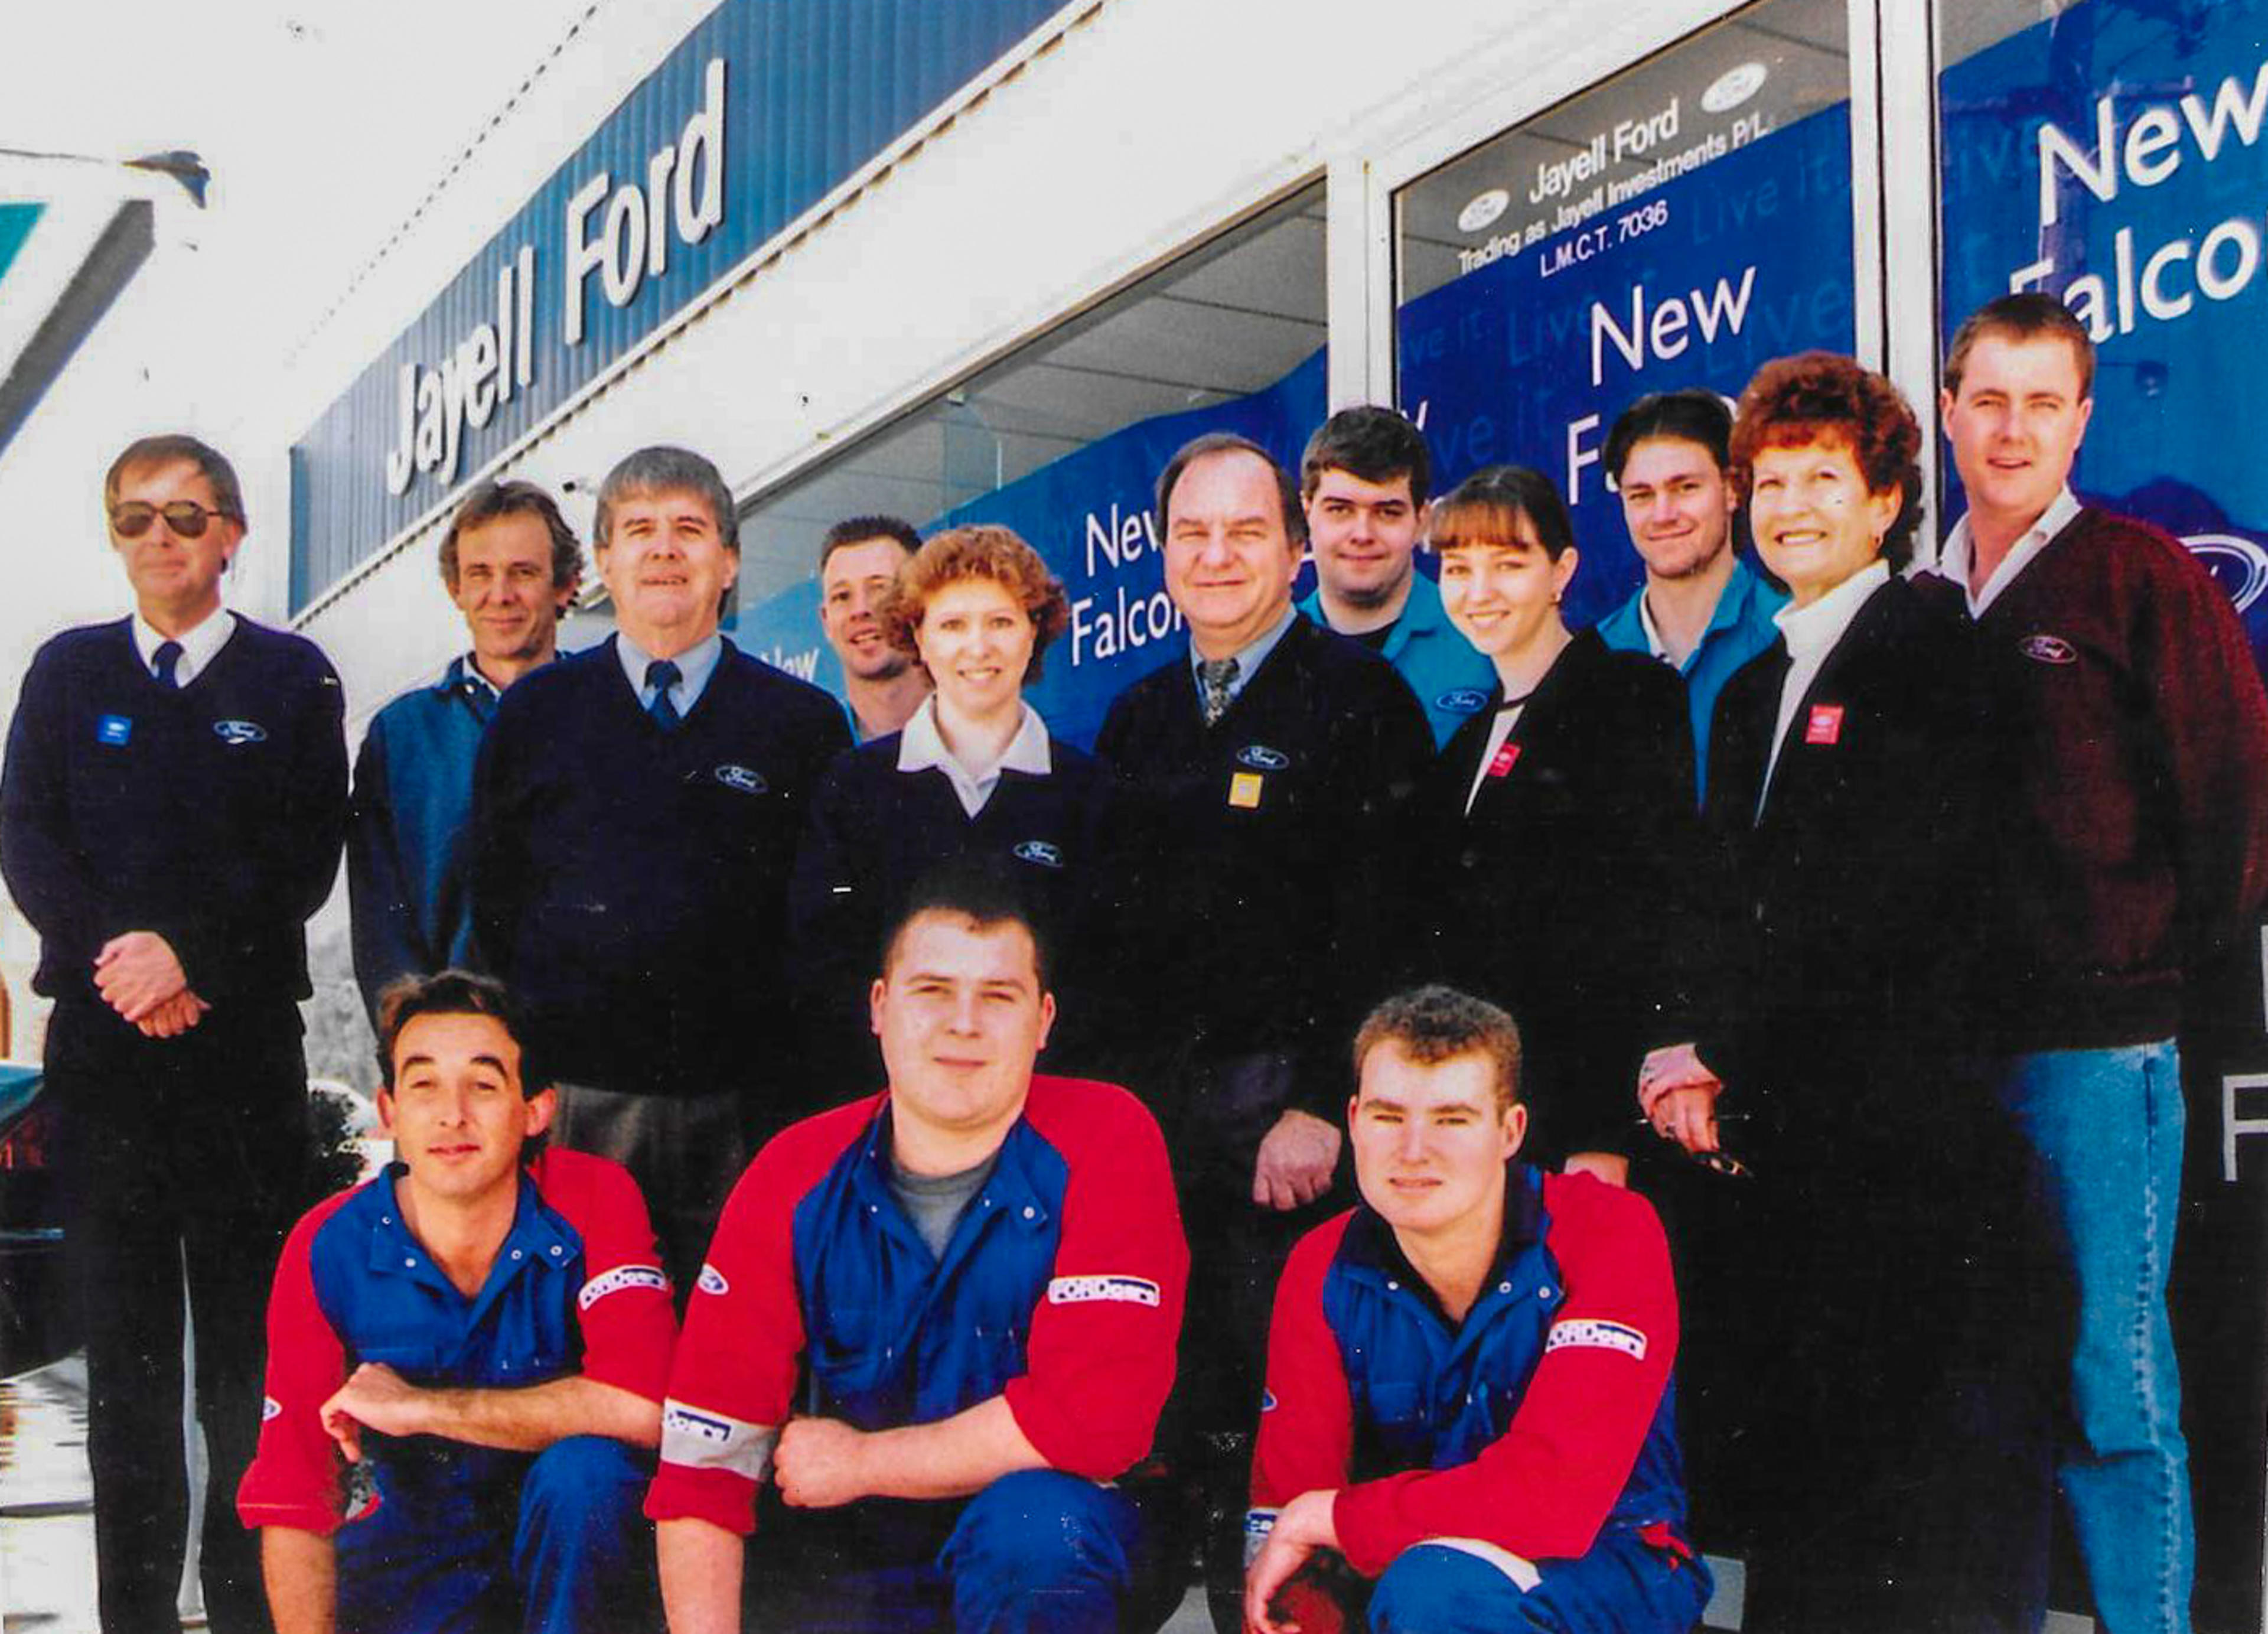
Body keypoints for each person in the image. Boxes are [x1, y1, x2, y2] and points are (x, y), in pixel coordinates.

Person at [1639, 352, 2039, 1633]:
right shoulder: (1756, 687)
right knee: (1806, 1507)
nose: (1791, 507)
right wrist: (1685, 1050)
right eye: (1770, 482)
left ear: (1885, 502)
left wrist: (1729, 1060)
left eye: (1824, 480)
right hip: (1787, 1161)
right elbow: (1719, 902)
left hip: (1900, 1158)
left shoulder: (1929, 652)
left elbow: (1889, 906)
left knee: (1904, 1512)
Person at [1923, 292, 2268, 1634]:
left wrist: (2135, 970)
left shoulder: (2138, 575)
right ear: (1948, 412)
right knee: (1976, 1391)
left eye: (2041, 403)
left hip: (2094, 1060)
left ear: (2081, 420)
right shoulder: (1919, 600)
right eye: (1987, 400)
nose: (2010, 430)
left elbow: (2233, 806)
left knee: (2108, 1387)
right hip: (1944, 1066)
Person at [648, 863, 1190, 1633]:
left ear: (1043, 1020)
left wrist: (861, 1462)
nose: (963, 1023)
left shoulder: (1107, 1136)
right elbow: (707, 1457)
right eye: (933, 990)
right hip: (858, 1547)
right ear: (879, 1006)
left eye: (998, 996)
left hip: (1052, 1534)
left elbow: (1097, 1420)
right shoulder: (794, 1171)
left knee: (1034, 1530)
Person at [0, 434, 348, 1633]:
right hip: (106, 1062)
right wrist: (129, 964)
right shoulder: (67, 674)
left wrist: (187, 956)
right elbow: (28, 839)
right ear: (115, 535)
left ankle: (250, 1615)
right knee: (129, 1378)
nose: (162, 538)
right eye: (136, 517)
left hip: (243, 1061)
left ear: (231, 533)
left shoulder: (293, 679)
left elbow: (305, 856)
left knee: (248, 1372)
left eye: (187, 516)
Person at [1093, 431, 1435, 1539]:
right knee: (1177, 1425)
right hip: (1163, 1130)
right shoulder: (1136, 717)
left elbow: (1393, 931)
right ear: (1161, 554)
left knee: (1293, 1431)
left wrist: (1324, 1102)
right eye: (1192, 533)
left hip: (1290, 1131)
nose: (1216, 555)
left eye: (1246, 531)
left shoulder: (1363, 701)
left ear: (1296, 551)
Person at [471, 445, 850, 1287]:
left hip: (748, 1113)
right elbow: (495, 908)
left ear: (730, 561)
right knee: (586, 1334)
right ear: (604, 563)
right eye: (639, 529)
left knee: (743, 1337)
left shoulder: (802, 723)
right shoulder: (534, 715)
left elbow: (825, 932)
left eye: (690, 528)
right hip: (581, 1108)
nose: (665, 549)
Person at [1244, 985, 1710, 1634]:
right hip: (1404, 1569)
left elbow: (1556, 1499)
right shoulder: (1322, 1263)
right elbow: (1289, 1515)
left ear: (1510, 1130)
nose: (1413, 1151)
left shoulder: (1605, 1231)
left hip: (1608, 1567)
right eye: (1386, 1117)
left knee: (1435, 1587)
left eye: (1452, 1120)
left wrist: (1331, 1518)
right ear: (1351, 1120)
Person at [237, 971, 676, 1634]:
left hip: (571, 1563)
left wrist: (419, 1408)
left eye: (484, 1084)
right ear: (389, 1111)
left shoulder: (595, 1198)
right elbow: (294, 1493)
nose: (452, 1115)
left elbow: (648, 1407)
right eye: (424, 1085)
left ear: (536, 1110)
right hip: (417, 1561)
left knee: (588, 1475)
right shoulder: (328, 1243)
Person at [1411, 464, 1707, 1181]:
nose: (1479, 592)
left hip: (1579, 1130)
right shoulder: (1465, 743)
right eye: (1458, 569)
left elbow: (1641, 922)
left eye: (1508, 565)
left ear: (1562, 570)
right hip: (1486, 1123)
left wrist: (1600, 1135)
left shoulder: (1626, 695)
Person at [790, 524, 1120, 1086]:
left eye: (1000, 622)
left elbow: (1108, 977)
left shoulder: (1091, 794)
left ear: (1034, 631)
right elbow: (824, 965)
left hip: (1044, 1109)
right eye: (952, 625)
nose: (978, 646)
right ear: (917, 636)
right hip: (891, 1109)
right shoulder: (853, 787)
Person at [346, 479, 582, 1023]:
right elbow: (382, 923)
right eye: (479, 574)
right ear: (456, 589)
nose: (500, 594)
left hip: (587, 1051)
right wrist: (414, 1039)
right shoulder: (402, 736)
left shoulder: (609, 718)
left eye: (523, 572)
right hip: (452, 1049)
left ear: (565, 585)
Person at [1593, 390, 1788, 799]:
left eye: (1685, 487)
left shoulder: (1787, 633)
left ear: (1732, 489)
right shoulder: (1592, 658)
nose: (1663, 514)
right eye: (1641, 495)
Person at [1293, 405, 1495, 748]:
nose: (1362, 534)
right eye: (1340, 509)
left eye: (1387, 512)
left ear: (1422, 520)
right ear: (1307, 511)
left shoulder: (1483, 639)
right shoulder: (1273, 653)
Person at [817, 515, 933, 741]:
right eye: (842, 596)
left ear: (922, 605)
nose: (860, 610)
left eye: (880, 589)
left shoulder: (988, 735)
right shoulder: (809, 752)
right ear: (826, 621)